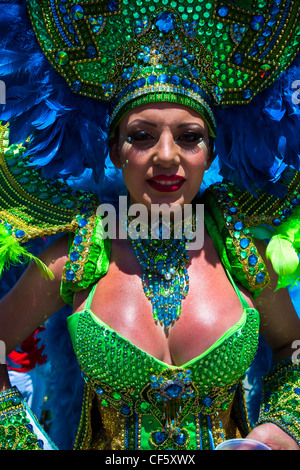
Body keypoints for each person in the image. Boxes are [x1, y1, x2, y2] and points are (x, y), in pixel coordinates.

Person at [0, 0, 300, 451]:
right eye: (141, 136)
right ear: (116, 150)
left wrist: (278, 431)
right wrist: (18, 441)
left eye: (189, 137)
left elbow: (293, 353)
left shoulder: (243, 254)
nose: (166, 155)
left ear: (211, 153)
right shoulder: (79, 254)